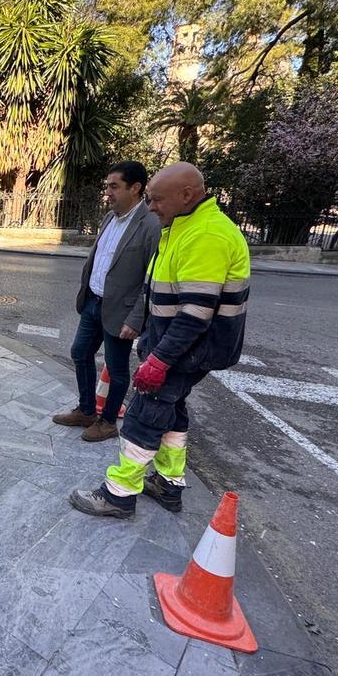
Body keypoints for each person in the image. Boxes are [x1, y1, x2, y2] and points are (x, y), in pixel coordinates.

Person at [70, 162, 250, 518]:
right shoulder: (183, 225)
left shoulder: (206, 236)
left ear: (186, 195)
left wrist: (159, 360)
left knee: (143, 416)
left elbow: (196, 312)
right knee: (171, 413)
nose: (151, 207)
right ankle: (168, 484)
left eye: (156, 200)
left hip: (186, 350)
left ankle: (118, 494)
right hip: (179, 347)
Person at [52, 161, 162, 442]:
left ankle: (108, 421)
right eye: (107, 187)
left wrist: (136, 318)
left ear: (135, 188)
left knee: (116, 367)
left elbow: (151, 279)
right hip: (93, 302)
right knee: (80, 353)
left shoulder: (150, 225)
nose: (107, 193)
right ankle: (87, 411)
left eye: (114, 187)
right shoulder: (109, 218)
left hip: (121, 312)